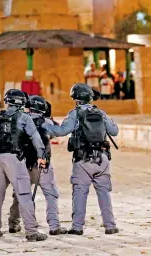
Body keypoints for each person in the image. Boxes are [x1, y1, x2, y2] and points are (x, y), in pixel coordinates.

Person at [41, 83, 119, 235]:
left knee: (79, 193)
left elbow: (62, 131)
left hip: (83, 160)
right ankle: (110, 226)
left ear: (76, 99)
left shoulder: (75, 113)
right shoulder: (100, 112)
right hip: (102, 159)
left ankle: (77, 227)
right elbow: (114, 131)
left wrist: (45, 124)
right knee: (104, 193)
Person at [0, 89, 47, 241]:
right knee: (24, 194)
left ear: (7, 101)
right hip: (14, 159)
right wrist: (41, 156)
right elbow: (36, 138)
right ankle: (31, 231)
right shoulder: (24, 117)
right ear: (21, 102)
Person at [8, 96, 67, 236]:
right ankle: (54, 225)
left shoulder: (20, 120)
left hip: (23, 164)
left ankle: (13, 223)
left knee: (19, 195)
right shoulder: (46, 122)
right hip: (42, 166)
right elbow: (60, 132)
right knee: (51, 194)